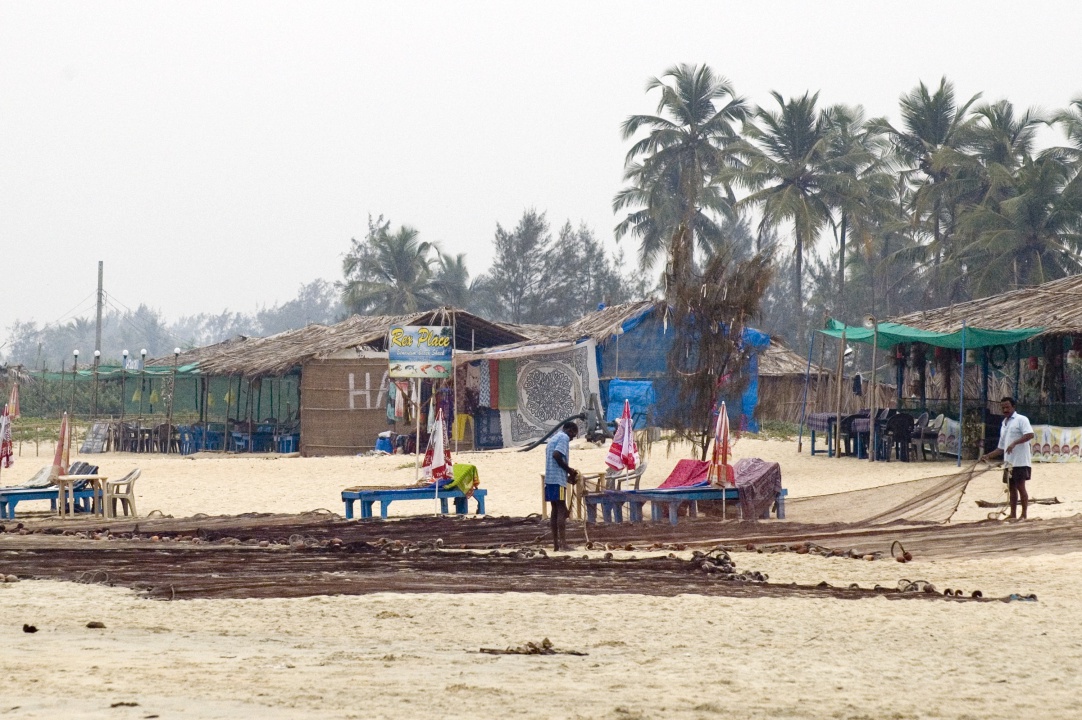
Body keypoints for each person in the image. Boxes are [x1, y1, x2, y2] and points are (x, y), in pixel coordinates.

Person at [980, 397, 1035, 521]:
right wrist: (988, 456)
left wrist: (1014, 443)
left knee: (1021, 487)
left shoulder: (1021, 419)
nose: (1005, 410)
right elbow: (1001, 448)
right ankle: (1013, 514)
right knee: (1011, 488)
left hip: (1021, 461)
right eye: (1003, 408)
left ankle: (1024, 515)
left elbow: (1030, 435)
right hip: (1008, 463)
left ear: (1013, 407)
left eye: (1007, 407)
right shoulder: (1004, 423)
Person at [544, 421, 580, 551]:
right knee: (561, 510)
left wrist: (568, 473)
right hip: (558, 480)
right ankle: (564, 544)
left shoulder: (553, 438)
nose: (572, 439)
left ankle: (556, 545)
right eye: (573, 435)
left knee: (554, 510)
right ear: (569, 430)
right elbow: (557, 455)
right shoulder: (564, 438)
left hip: (549, 479)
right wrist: (570, 471)